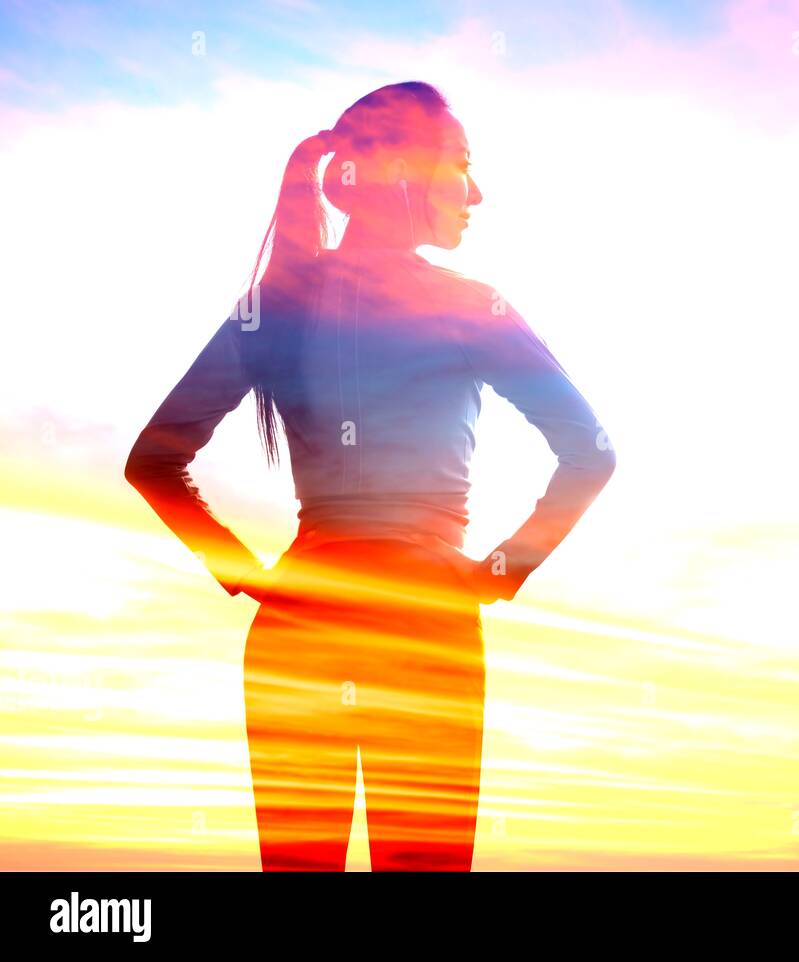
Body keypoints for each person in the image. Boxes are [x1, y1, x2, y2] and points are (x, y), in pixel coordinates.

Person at [123, 81, 617, 871]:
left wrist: (248, 574)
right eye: (462, 165)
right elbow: (592, 452)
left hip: (294, 627)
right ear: (400, 172)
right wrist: (496, 572)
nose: (477, 193)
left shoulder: (270, 309)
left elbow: (151, 461)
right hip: (425, 623)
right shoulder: (471, 306)